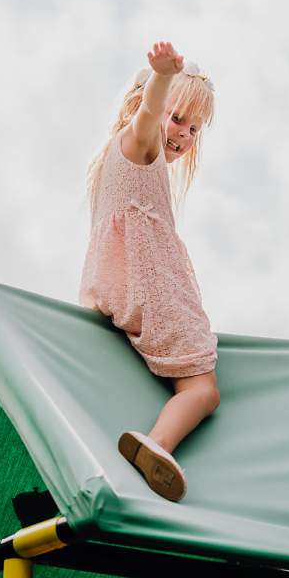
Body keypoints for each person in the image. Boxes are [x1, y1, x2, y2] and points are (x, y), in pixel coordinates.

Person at [79, 41, 218, 502]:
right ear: (146, 104)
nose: (183, 134)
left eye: (194, 128)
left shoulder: (116, 162)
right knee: (202, 389)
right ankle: (156, 446)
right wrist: (160, 76)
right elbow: (148, 115)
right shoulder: (139, 147)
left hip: (110, 290)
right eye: (178, 118)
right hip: (148, 293)